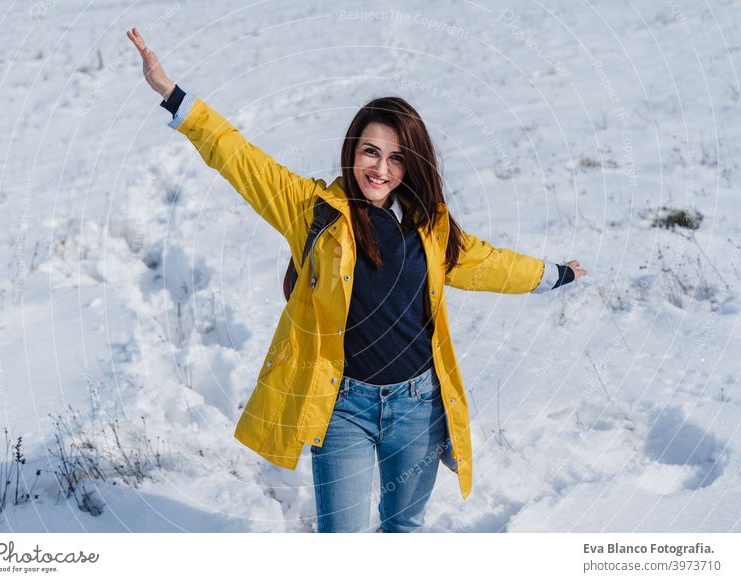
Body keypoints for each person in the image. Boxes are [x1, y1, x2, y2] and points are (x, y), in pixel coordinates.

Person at [127, 27, 588, 533]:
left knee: (403, 531)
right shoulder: (313, 211)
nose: (381, 169)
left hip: (417, 406)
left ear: (410, 165)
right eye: (371, 152)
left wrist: (555, 274)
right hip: (342, 406)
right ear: (352, 150)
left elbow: (489, 263)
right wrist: (173, 95)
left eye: (395, 158)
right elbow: (240, 158)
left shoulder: (429, 226)